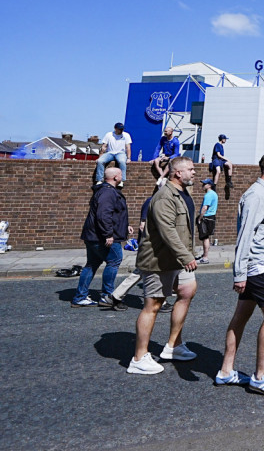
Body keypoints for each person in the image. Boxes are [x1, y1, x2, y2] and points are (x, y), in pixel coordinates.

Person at [216, 153, 264, 395]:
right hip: (258, 267)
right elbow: (245, 234)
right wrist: (239, 273)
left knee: (241, 317)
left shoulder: (262, 194)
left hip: (254, 266)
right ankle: (260, 376)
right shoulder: (256, 195)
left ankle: (226, 371)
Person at [128, 156, 199, 375]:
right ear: (177, 173)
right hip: (159, 260)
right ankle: (139, 358)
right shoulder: (164, 197)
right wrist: (186, 256)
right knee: (154, 304)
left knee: (187, 291)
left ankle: (173, 346)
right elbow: (167, 230)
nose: (194, 172)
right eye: (191, 169)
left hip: (176, 259)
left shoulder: (183, 194)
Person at [72, 167, 132, 307]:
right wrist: (108, 234)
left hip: (93, 236)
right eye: (121, 174)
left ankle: (80, 297)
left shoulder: (104, 191)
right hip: (103, 237)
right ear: (115, 177)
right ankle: (107, 296)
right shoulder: (108, 192)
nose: (122, 177)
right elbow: (103, 215)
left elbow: (114, 213)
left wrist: (125, 226)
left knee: (92, 264)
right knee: (114, 261)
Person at [197, 178, 218, 264]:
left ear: (209, 185)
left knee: (205, 238)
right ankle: (204, 255)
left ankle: (205, 258)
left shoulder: (208, 195)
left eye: (204, 184)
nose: (202, 185)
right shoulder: (214, 194)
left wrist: (199, 218)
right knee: (207, 238)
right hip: (211, 217)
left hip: (206, 218)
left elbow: (205, 208)